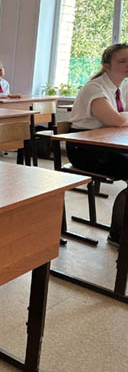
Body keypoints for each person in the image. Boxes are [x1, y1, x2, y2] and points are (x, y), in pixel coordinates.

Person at [69, 43, 128, 246]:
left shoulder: (123, 87)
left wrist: (122, 118)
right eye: (122, 61)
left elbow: (119, 120)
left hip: (108, 145)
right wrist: (122, 118)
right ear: (106, 65)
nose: (127, 65)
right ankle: (118, 235)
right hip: (84, 149)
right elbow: (116, 120)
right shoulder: (94, 87)